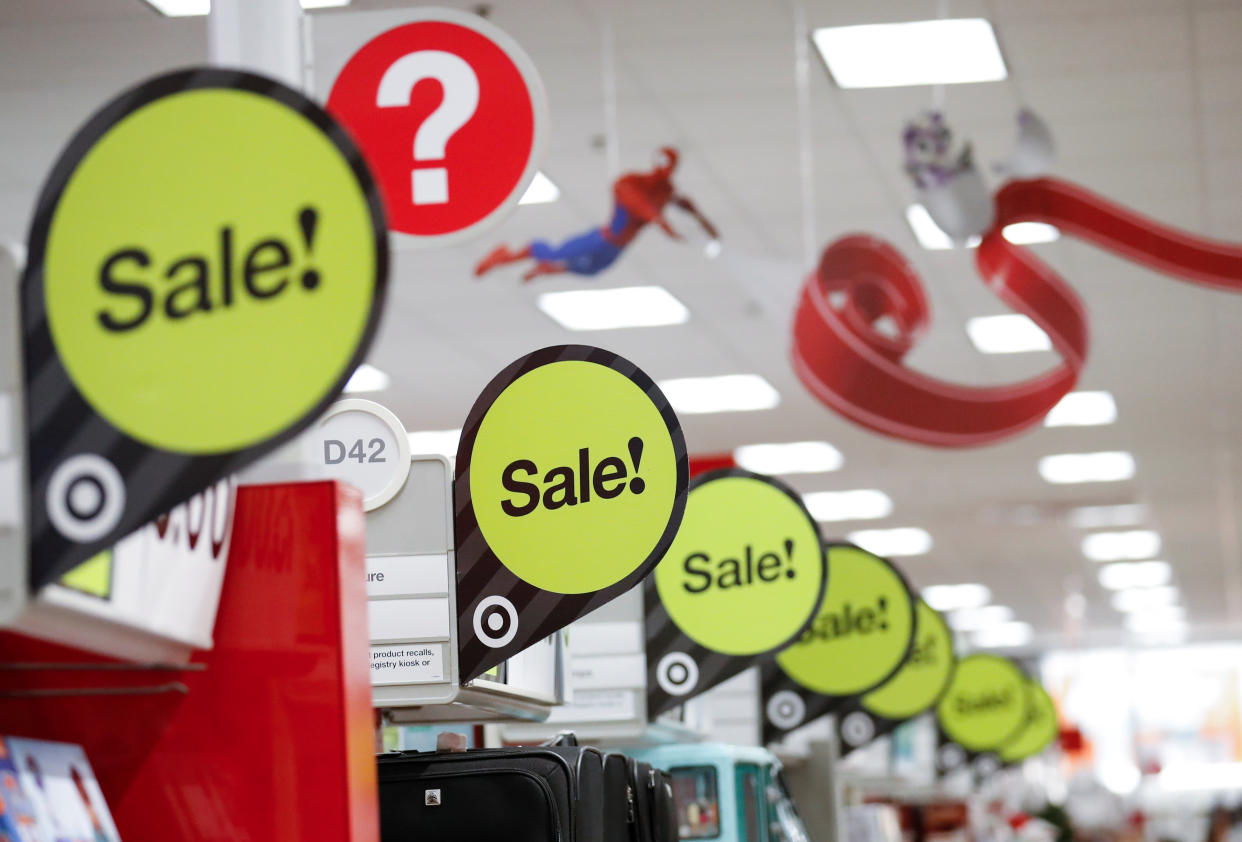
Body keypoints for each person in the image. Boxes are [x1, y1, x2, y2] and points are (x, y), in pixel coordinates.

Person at [475, 146, 718, 282]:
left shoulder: (666, 191)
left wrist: (704, 224)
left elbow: (682, 203)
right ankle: (507, 254)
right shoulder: (630, 183)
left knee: (592, 271)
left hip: (619, 247)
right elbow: (637, 204)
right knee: (558, 252)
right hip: (603, 238)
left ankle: (549, 269)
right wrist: (660, 221)